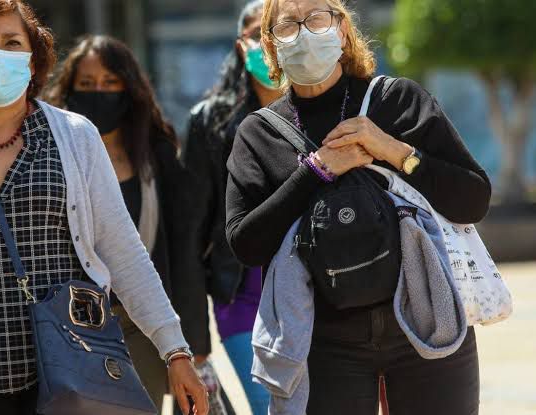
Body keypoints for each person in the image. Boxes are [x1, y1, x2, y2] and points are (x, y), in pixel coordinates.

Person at [0, 1, 208, 415]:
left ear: (33, 61)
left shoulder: (76, 136)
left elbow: (124, 252)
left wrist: (174, 351)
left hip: (67, 375)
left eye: (12, 43)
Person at [225, 0, 491, 414]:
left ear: (342, 29)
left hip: (424, 318)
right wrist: (317, 170)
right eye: (289, 25)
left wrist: (392, 150)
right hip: (324, 341)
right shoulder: (257, 134)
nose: (305, 33)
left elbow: (473, 199)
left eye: (316, 19)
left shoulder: (396, 100)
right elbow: (246, 244)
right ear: (271, 45)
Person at [45, 34, 211, 413]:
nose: (98, 93)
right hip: (67, 326)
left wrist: (191, 342)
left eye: (110, 83)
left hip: (139, 327)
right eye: (86, 85)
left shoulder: (157, 154)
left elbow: (184, 250)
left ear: (129, 89)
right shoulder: (48, 153)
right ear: (69, 90)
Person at [182, 1, 277, 413]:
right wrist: (193, 339)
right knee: (270, 406)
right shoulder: (209, 122)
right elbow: (190, 231)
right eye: (259, 33)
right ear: (242, 46)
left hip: (320, 293)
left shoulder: (327, 112)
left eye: (279, 29)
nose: (269, 42)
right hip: (241, 295)